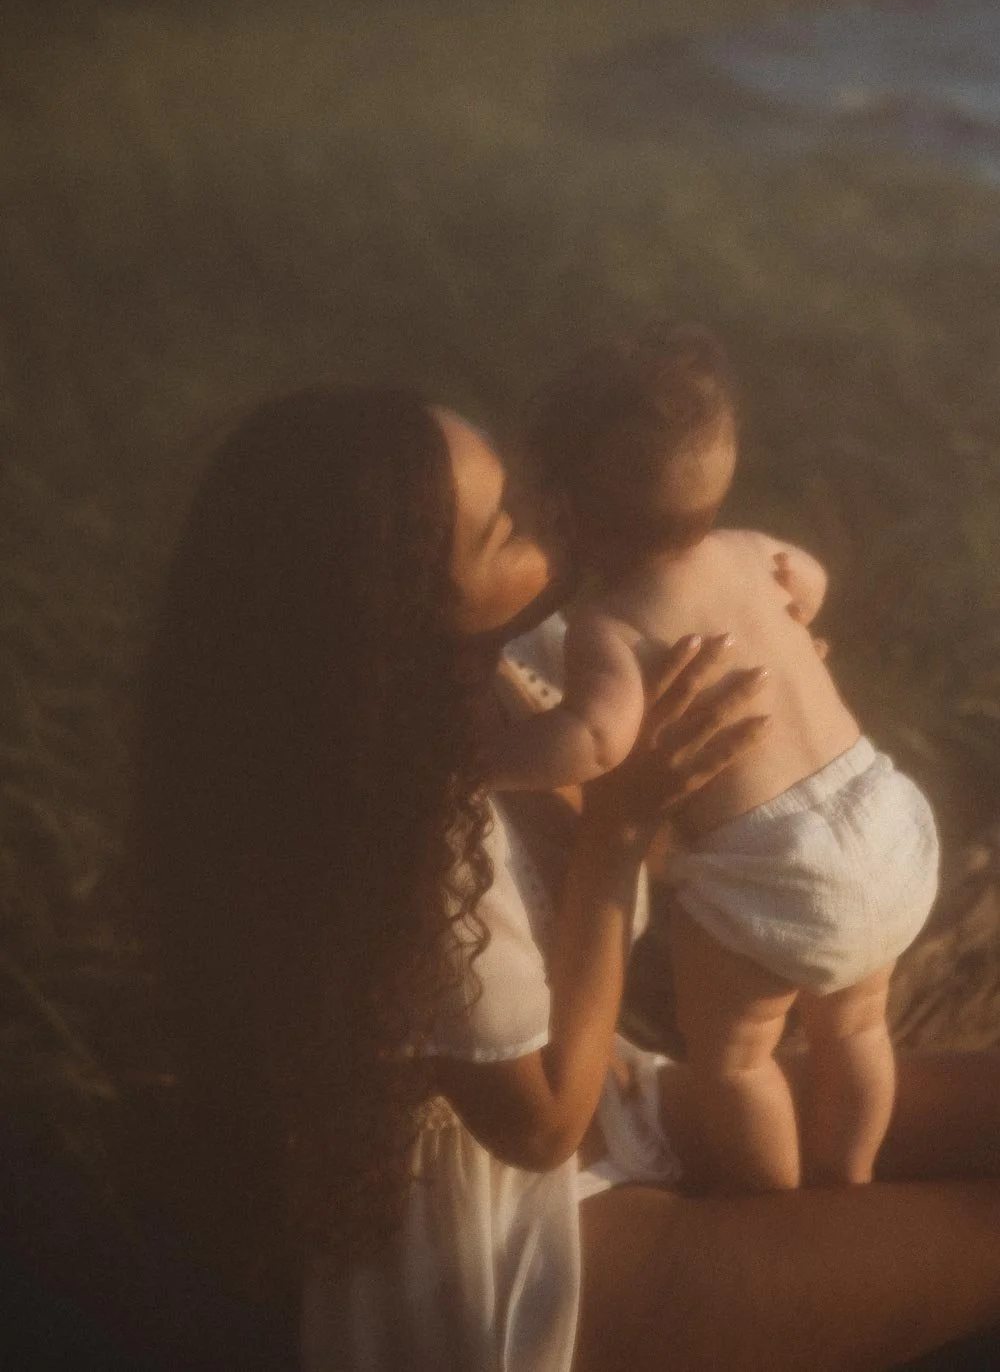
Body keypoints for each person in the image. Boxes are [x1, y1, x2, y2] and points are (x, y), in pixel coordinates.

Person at [128, 382, 1000, 1372]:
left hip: (627, 1104)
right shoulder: (396, 836)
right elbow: (540, 1129)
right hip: (517, 1247)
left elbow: (673, 859)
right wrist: (620, 830)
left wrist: (747, 758)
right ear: (402, 603)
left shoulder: (519, 671)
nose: (543, 509)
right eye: (500, 525)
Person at [486, 322, 939, 1192]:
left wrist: (493, 759)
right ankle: (850, 1179)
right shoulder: (752, 552)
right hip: (880, 816)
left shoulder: (608, 622)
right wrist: (798, 607)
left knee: (733, 1061)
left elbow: (596, 738)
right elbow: (809, 578)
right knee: (856, 1030)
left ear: (572, 517)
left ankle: (777, 1212)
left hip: (778, 869)